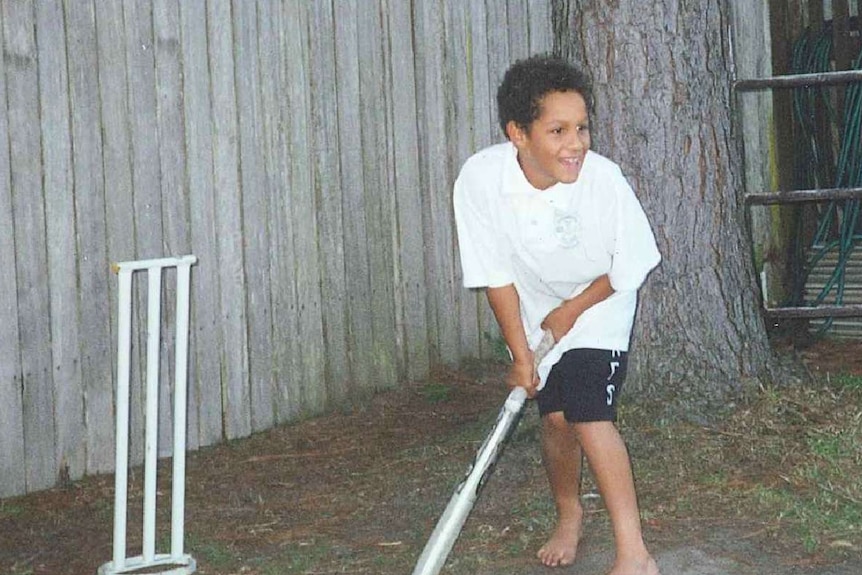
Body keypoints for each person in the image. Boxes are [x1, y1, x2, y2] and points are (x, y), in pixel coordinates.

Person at [452, 54, 662, 575]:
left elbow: (630, 263)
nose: (577, 144)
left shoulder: (604, 181)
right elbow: (494, 274)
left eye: (583, 127)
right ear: (518, 134)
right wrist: (522, 356)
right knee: (556, 422)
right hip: (535, 311)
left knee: (590, 414)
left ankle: (634, 554)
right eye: (558, 131)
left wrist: (573, 309)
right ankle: (569, 515)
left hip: (601, 303)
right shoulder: (481, 180)